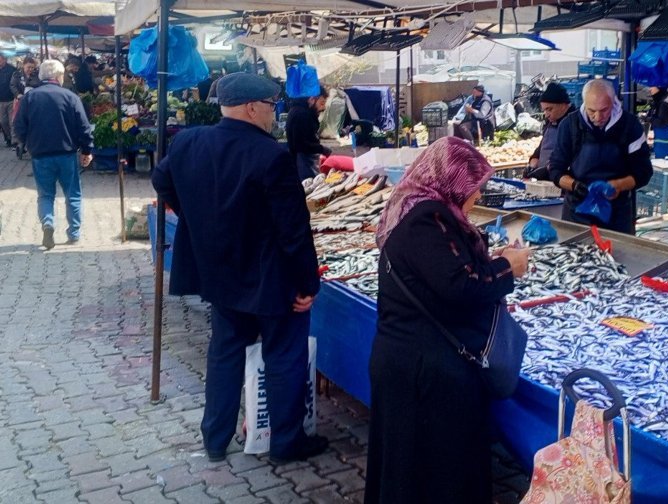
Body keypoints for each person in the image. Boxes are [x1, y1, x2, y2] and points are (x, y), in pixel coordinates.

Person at [151, 72, 327, 464]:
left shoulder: (189, 141)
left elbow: (161, 180)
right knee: (284, 356)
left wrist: (192, 214)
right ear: (252, 108)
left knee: (225, 353)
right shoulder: (271, 155)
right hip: (270, 278)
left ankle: (215, 438)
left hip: (220, 273)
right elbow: (293, 230)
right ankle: (285, 441)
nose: (273, 115)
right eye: (270, 107)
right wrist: (307, 284)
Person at [364, 136, 531, 504]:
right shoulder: (427, 218)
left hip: (414, 363)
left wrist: (491, 262)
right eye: (474, 189)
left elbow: (444, 274)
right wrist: (508, 267)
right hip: (422, 373)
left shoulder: (419, 209)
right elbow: (461, 286)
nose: (476, 198)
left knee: (412, 469)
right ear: (452, 181)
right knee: (432, 472)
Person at [548, 79, 653, 234]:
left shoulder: (630, 126)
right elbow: (556, 170)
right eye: (592, 111)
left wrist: (617, 185)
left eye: (604, 110)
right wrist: (575, 186)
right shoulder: (569, 126)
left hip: (617, 217)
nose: (597, 117)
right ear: (584, 103)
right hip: (577, 215)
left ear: (613, 102)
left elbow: (643, 172)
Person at [13, 60, 93, 250]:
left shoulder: (29, 98)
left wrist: (28, 143)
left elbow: (18, 127)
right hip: (66, 154)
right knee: (72, 193)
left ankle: (48, 223)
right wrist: (87, 150)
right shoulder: (70, 97)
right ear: (59, 76)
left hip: (40, 155)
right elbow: (84, 127)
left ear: (41, 76)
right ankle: (73, 232)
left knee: (45, 195)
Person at [524, 82, 574, 180]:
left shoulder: (574, 123)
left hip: (562, 181)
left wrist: (548, 170)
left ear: (563, 105)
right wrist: (532, 166)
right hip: (545, 182)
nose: (546, 114)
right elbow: (540, 149)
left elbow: (570, 156)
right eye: (544, 110)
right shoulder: (550, 122)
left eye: (549, 109)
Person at [285, 86, 331, 181]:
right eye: (321, 103)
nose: (323, 108)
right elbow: (301, 144)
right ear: (312, 99)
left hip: (304, 160)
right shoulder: (302, 115)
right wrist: (322, 149)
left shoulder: (300, 111)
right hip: (303, 162)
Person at [10, 56, 40, 156]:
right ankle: (19, 141)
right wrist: (18, 94)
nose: (30, 69)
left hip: (33, 101)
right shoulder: (17, 74)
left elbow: (39, 84)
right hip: (20, 101)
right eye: (28, 67)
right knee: (17, 120)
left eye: (32, 67)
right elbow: (12, 85)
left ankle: (31, 142)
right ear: (24, 66)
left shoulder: (37, 75)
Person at [647, 86, 668, 159]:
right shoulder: (660, 100)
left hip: (665, 137)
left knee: (665, 163)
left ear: (658, 87)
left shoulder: (665, 103)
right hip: (661, 137)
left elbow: (661, 122)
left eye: (651, 87)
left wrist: (649, 119)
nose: (649, 89)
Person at [0, 54, 16, 147]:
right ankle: (8, 137)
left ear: (4, 59)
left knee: (12, 122)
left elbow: (14, 84)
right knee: (3, 121)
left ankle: (14, 141)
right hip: (1, 100)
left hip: (11, 99)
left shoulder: (12, 70)